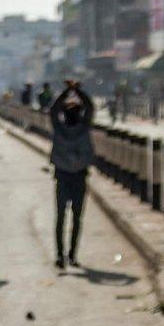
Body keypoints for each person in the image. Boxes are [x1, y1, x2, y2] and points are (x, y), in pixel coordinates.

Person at [48, 81, 94, 269]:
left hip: (73, 178)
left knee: (70, 219)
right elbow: (54, 110)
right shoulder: (72, 128)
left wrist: (71, 91)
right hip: (69, 178)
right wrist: (73, 91)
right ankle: (62, 255)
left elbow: (54, 110)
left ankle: (70, 255)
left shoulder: (70, 128)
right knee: (65, 219)